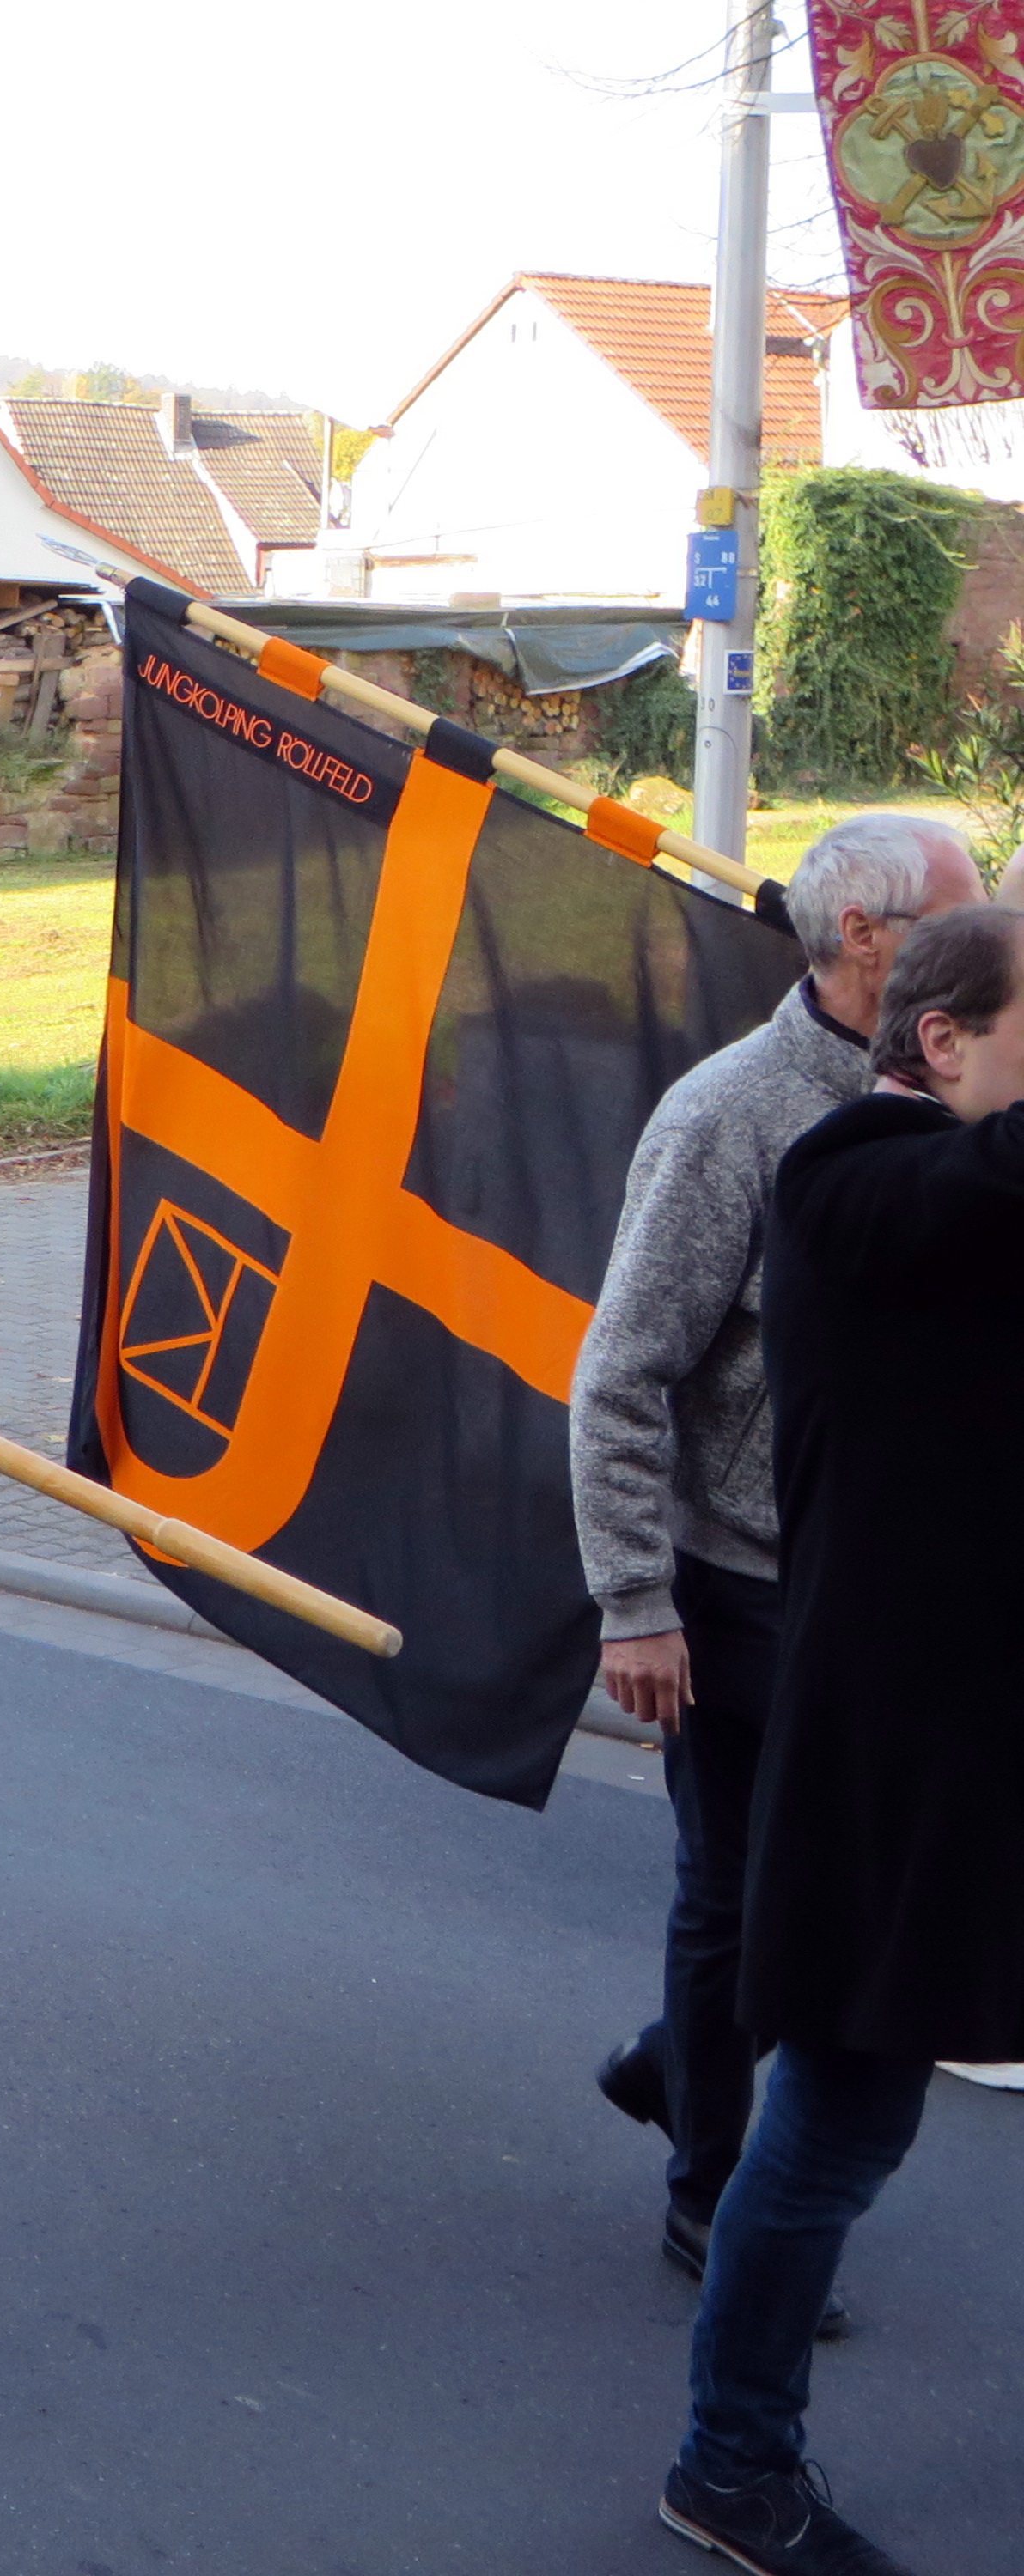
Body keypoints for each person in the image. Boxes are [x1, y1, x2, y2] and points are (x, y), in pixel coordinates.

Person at [649, 900, 1024, 2574]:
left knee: (833, 2104)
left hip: (976, 1744)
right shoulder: (842, 1175)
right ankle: (730, 2462)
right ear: (936, 1042)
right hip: (900, 1762)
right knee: (834, 2125)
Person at [571, 811, 979, 2327]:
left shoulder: (956, 1087)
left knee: (833, 1889)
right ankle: (710, 2197)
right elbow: (618, 1378)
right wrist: (635, 1602)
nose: (991, 914)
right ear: (869, 940)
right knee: (738, 1895)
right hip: (737, 1592)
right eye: (965, 900)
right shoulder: (729, 1116)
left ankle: (682, 2059)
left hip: (875, 1591)